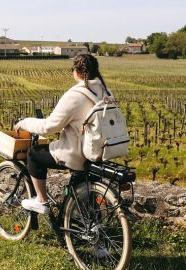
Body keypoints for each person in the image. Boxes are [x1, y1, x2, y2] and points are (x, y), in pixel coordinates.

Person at [14, 53, 112, 214]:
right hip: (100, 153)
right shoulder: (105, 91)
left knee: (34, 154)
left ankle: (41, 201)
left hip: (77, 154)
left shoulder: (75, 95)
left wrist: (25, 122)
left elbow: (49, 127)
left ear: (77, 71)